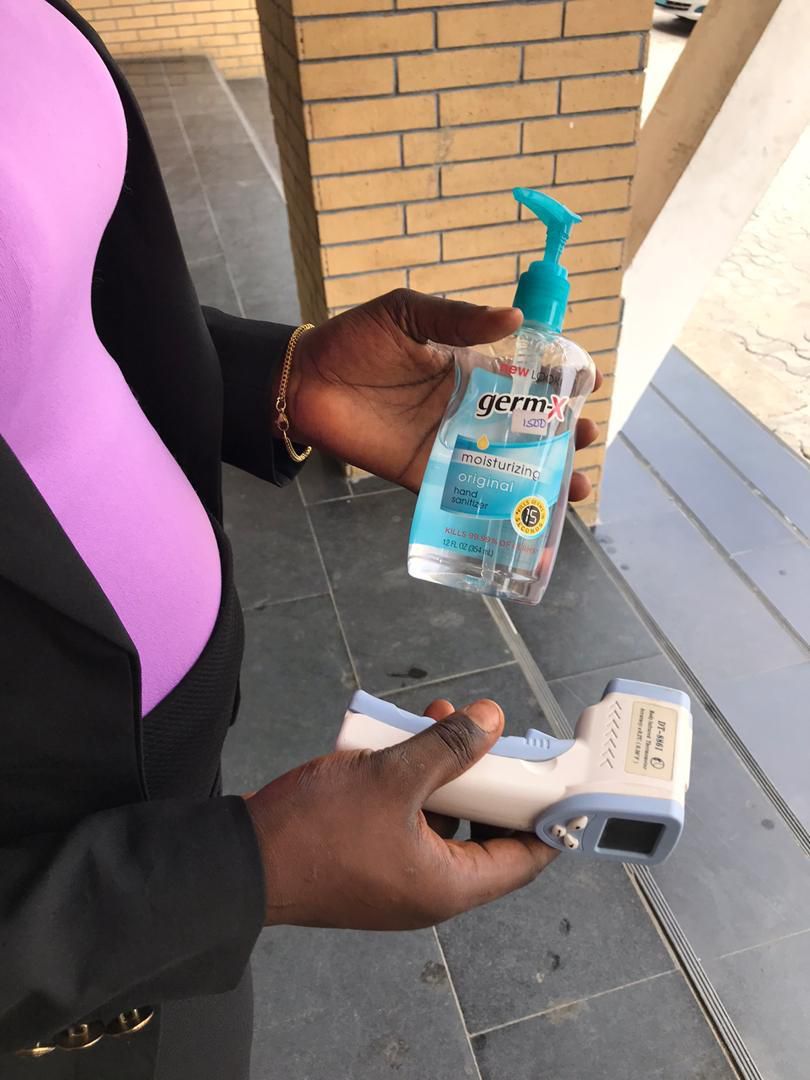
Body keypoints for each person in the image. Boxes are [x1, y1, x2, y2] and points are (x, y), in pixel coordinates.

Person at [0, 1, 602, 1077]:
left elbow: (68, 318)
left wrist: (282, 382)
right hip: (59, 971)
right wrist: (232, 878)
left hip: (172, 828)